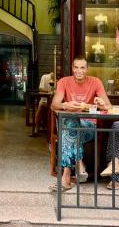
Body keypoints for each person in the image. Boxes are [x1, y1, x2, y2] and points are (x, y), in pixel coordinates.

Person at [50, 56, 112, 192]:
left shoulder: (95, 82)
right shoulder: (64, 82)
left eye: (82, 67)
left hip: (89, 127)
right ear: (72, 68)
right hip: (70, 126)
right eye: (76, 67)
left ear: (87, 69)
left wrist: (101, 104)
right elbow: (54, 105)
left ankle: (70, 173)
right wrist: (66, 105)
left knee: (68, 129)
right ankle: (75, 168)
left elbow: (108, 106)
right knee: (70, 124)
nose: (79, 71)